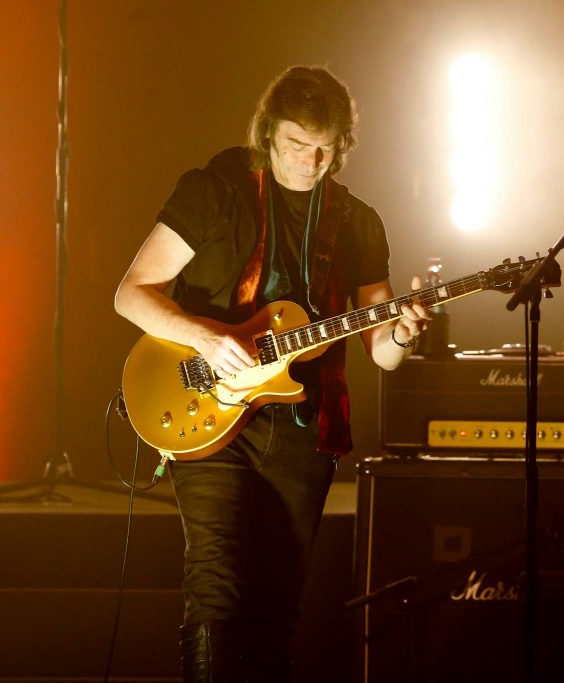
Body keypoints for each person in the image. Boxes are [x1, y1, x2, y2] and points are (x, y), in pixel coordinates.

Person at [114, 65, 429, 682]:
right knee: (217, 581)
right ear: (268, 133)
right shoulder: (214, 191)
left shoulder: (359, 222)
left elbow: (381, 351)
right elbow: (131, 293)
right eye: (296, 145)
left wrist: (401, 333)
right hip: (208, 410)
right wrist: (205, 337)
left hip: (303, 427)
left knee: (279, 602)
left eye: (325, 149)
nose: (311, 163)